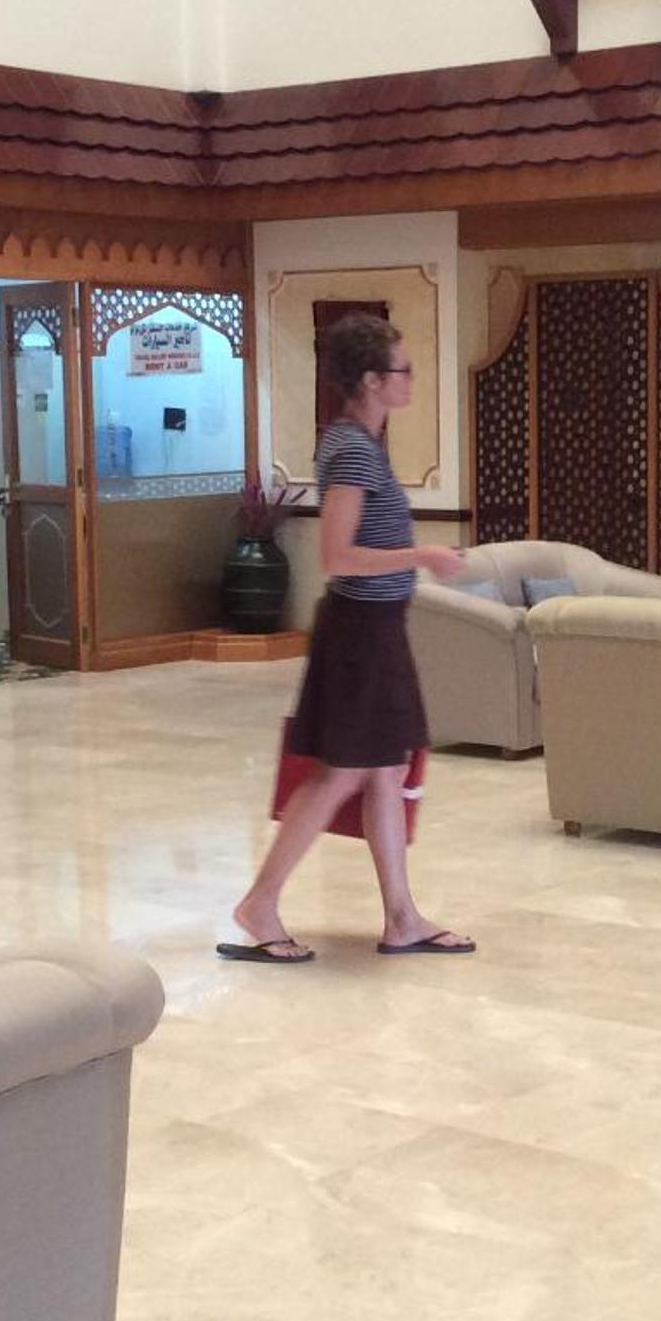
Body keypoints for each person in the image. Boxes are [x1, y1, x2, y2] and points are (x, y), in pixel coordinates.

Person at [222, 314, 474, 964]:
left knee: (386, 768)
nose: (410, 379)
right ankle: (260, 902)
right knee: (343, 771)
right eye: (402, 369)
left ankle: (401, 917)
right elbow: (337, 556)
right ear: (370, 380)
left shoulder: (359, 443)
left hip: (377, 627)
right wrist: (422, 556)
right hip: (360, 632)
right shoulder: (354, 450)